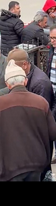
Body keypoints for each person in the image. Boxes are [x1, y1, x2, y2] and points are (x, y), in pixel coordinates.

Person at [0, 59, 56, 182]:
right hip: (37, 163)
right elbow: (53, 133)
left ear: (7, 84)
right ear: (25, 81)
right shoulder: (41, 102)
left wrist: (0, 145)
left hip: (9, 165)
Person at [46, 25, 56, 164]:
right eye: (51, 38)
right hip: (53, 93)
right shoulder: (52, 50)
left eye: (55, 38)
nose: (53, 40)